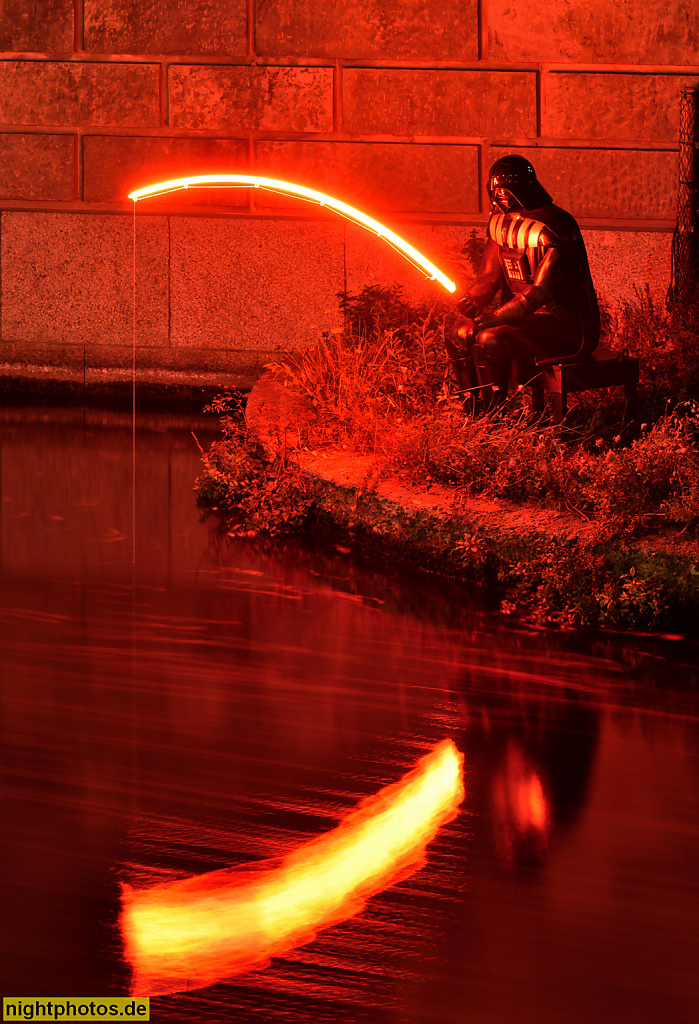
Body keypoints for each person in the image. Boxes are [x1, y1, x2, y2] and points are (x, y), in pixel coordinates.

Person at [447, 155, 600, 412]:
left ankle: (493, 418)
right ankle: (473, 412)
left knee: (488, 339)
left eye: (506, 191)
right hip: (522, 317)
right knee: (460, 332)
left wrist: (495, 317)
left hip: (563, 323)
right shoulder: (500, 224)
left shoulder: (555, 226)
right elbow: (488, 278)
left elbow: (540, 292)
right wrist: (473, 300)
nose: (500, 198)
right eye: (496, 191)